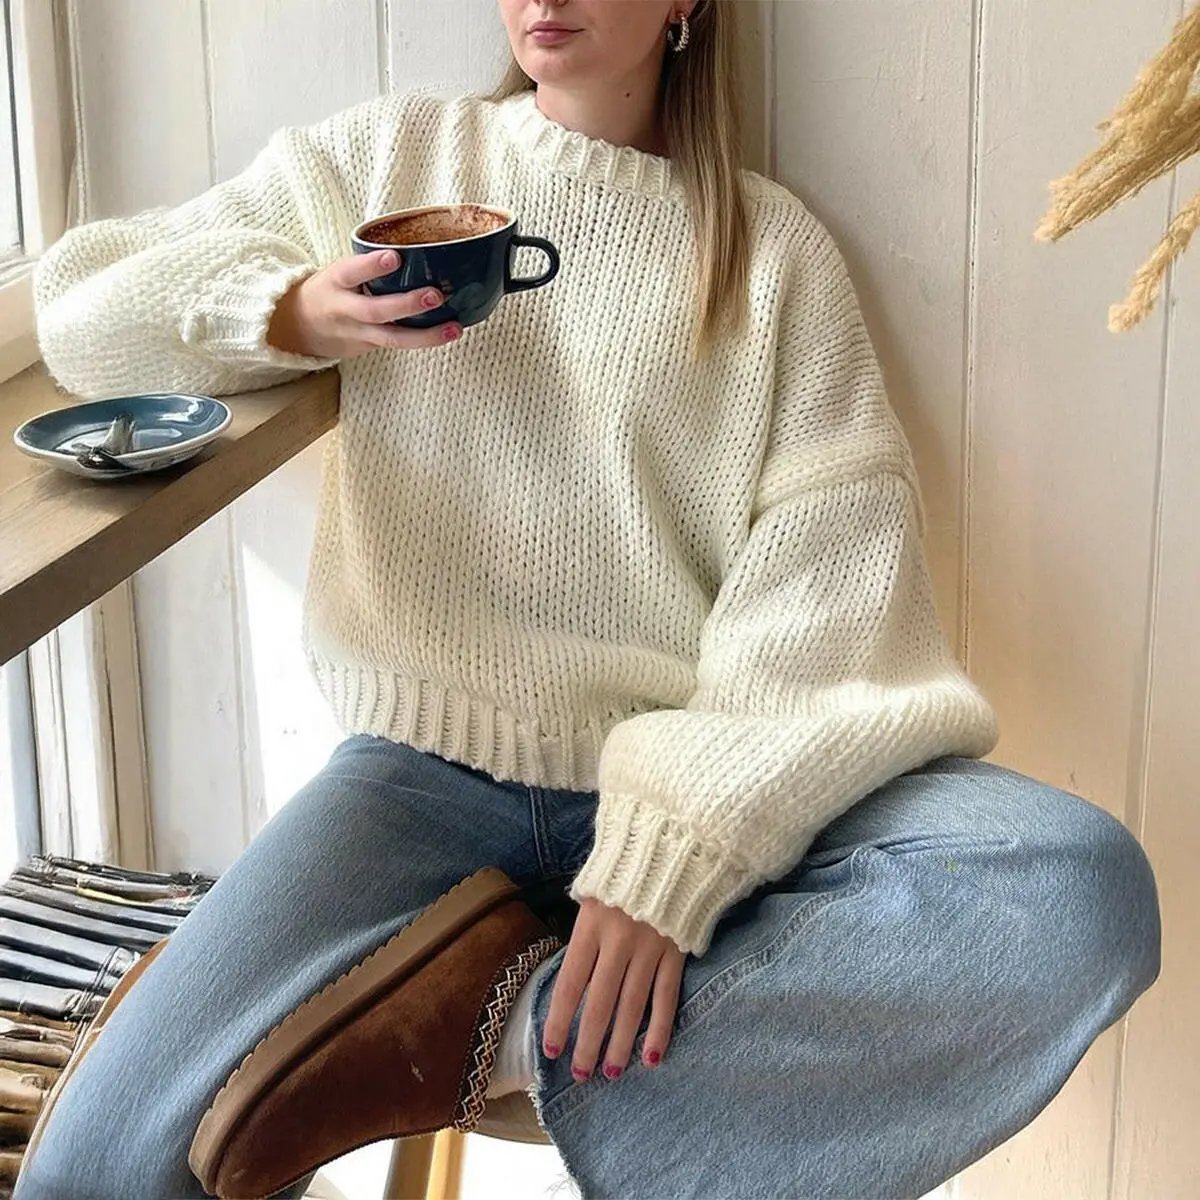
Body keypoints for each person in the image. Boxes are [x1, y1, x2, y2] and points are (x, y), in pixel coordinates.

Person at [15, 1, 1162, 1197]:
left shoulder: (770, 255)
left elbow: (826, 587)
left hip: (696, 774)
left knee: (1073, 888)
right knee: (94, 1172)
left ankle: (505, 1031)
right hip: (420, 779)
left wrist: (671, 856)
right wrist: (294, 312)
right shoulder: (395, 159)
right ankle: (512, 1029)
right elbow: (83, 312)